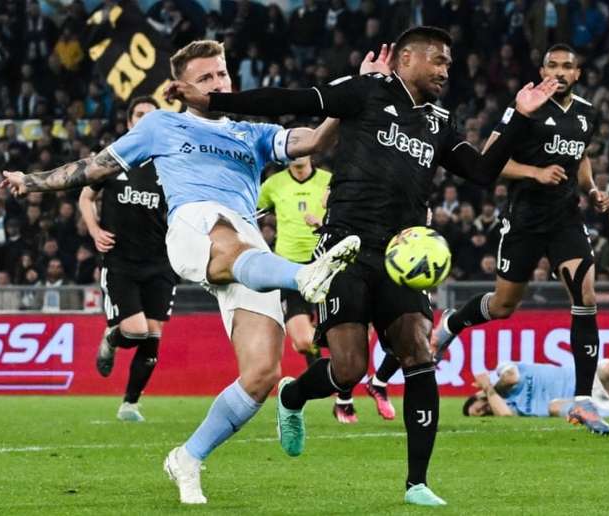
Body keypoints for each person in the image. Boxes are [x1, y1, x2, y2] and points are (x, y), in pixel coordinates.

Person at [165, 26, 558, 506]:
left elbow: (480, 171)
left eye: (449, 63)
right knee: (348, 369)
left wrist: (518, 116)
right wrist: (219, 100)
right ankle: (292, 398)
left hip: (400, 256)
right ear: (407, 58)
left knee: (418, 350)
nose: (445, 70)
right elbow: (288, 99)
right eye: (438, 60)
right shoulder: (365, 91)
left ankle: (417, 483)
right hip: (344, 250)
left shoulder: (438, 121)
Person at [0, 40, 362, 505]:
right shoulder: (161, 125)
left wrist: (345, 100)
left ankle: (187, 457)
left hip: (250, 247)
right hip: (195, 224)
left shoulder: (250, 132)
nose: (219, 84)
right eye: (206, 78)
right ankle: (303, 276)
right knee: (227, 236)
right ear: (181, 87)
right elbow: (94, 167)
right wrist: (31, 181)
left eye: (223, 75)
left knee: (262, 374)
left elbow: (311, 140)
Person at [433, 44, 609, 436]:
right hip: (524, 222)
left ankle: (583, 401)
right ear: (543, 68)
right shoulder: (526, 107)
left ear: (578, 74)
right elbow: (490, 158)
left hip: (566, 219)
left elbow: (579, 157)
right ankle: (451, 323)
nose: (560, 72)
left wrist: (593, 190)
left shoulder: (586, 113)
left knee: (585, 294)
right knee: (502, 306)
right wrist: (535, 172)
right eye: (553, 65)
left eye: (568, 67)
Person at [78, 96, 176, 423]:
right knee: (134, 331)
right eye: (139, 115)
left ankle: (130, 404)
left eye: (152, 116)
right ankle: (111, 338)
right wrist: (94, 230)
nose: (145, 120)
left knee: (153, 335)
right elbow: (85, 195)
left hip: (161, 262)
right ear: (129, 122)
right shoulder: (113, 159)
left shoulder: (170, 164)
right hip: (121, 262)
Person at [258, 155, 360, 424]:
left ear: (311, 153)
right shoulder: (273, 184)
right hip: (290, 270)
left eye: (302, 150)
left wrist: (323, 226)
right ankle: (325, 379)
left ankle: (342, 396)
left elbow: (347, 215)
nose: (297, 156)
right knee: (303, 341)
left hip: (327, 265)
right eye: (292, 151)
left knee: (348, 333)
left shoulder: (328, 181)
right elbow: (251, 210)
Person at [462, 360, 609, 421]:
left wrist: (490, 387)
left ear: (479, 393)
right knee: (554, 406)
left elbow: (511, 376)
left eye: (480, 404)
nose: (484, 409)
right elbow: (503, 415)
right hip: (586, 409)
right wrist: (489, 393)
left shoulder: (505, 370)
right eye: (481, 413)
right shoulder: (509, 409)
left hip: (589, 382)